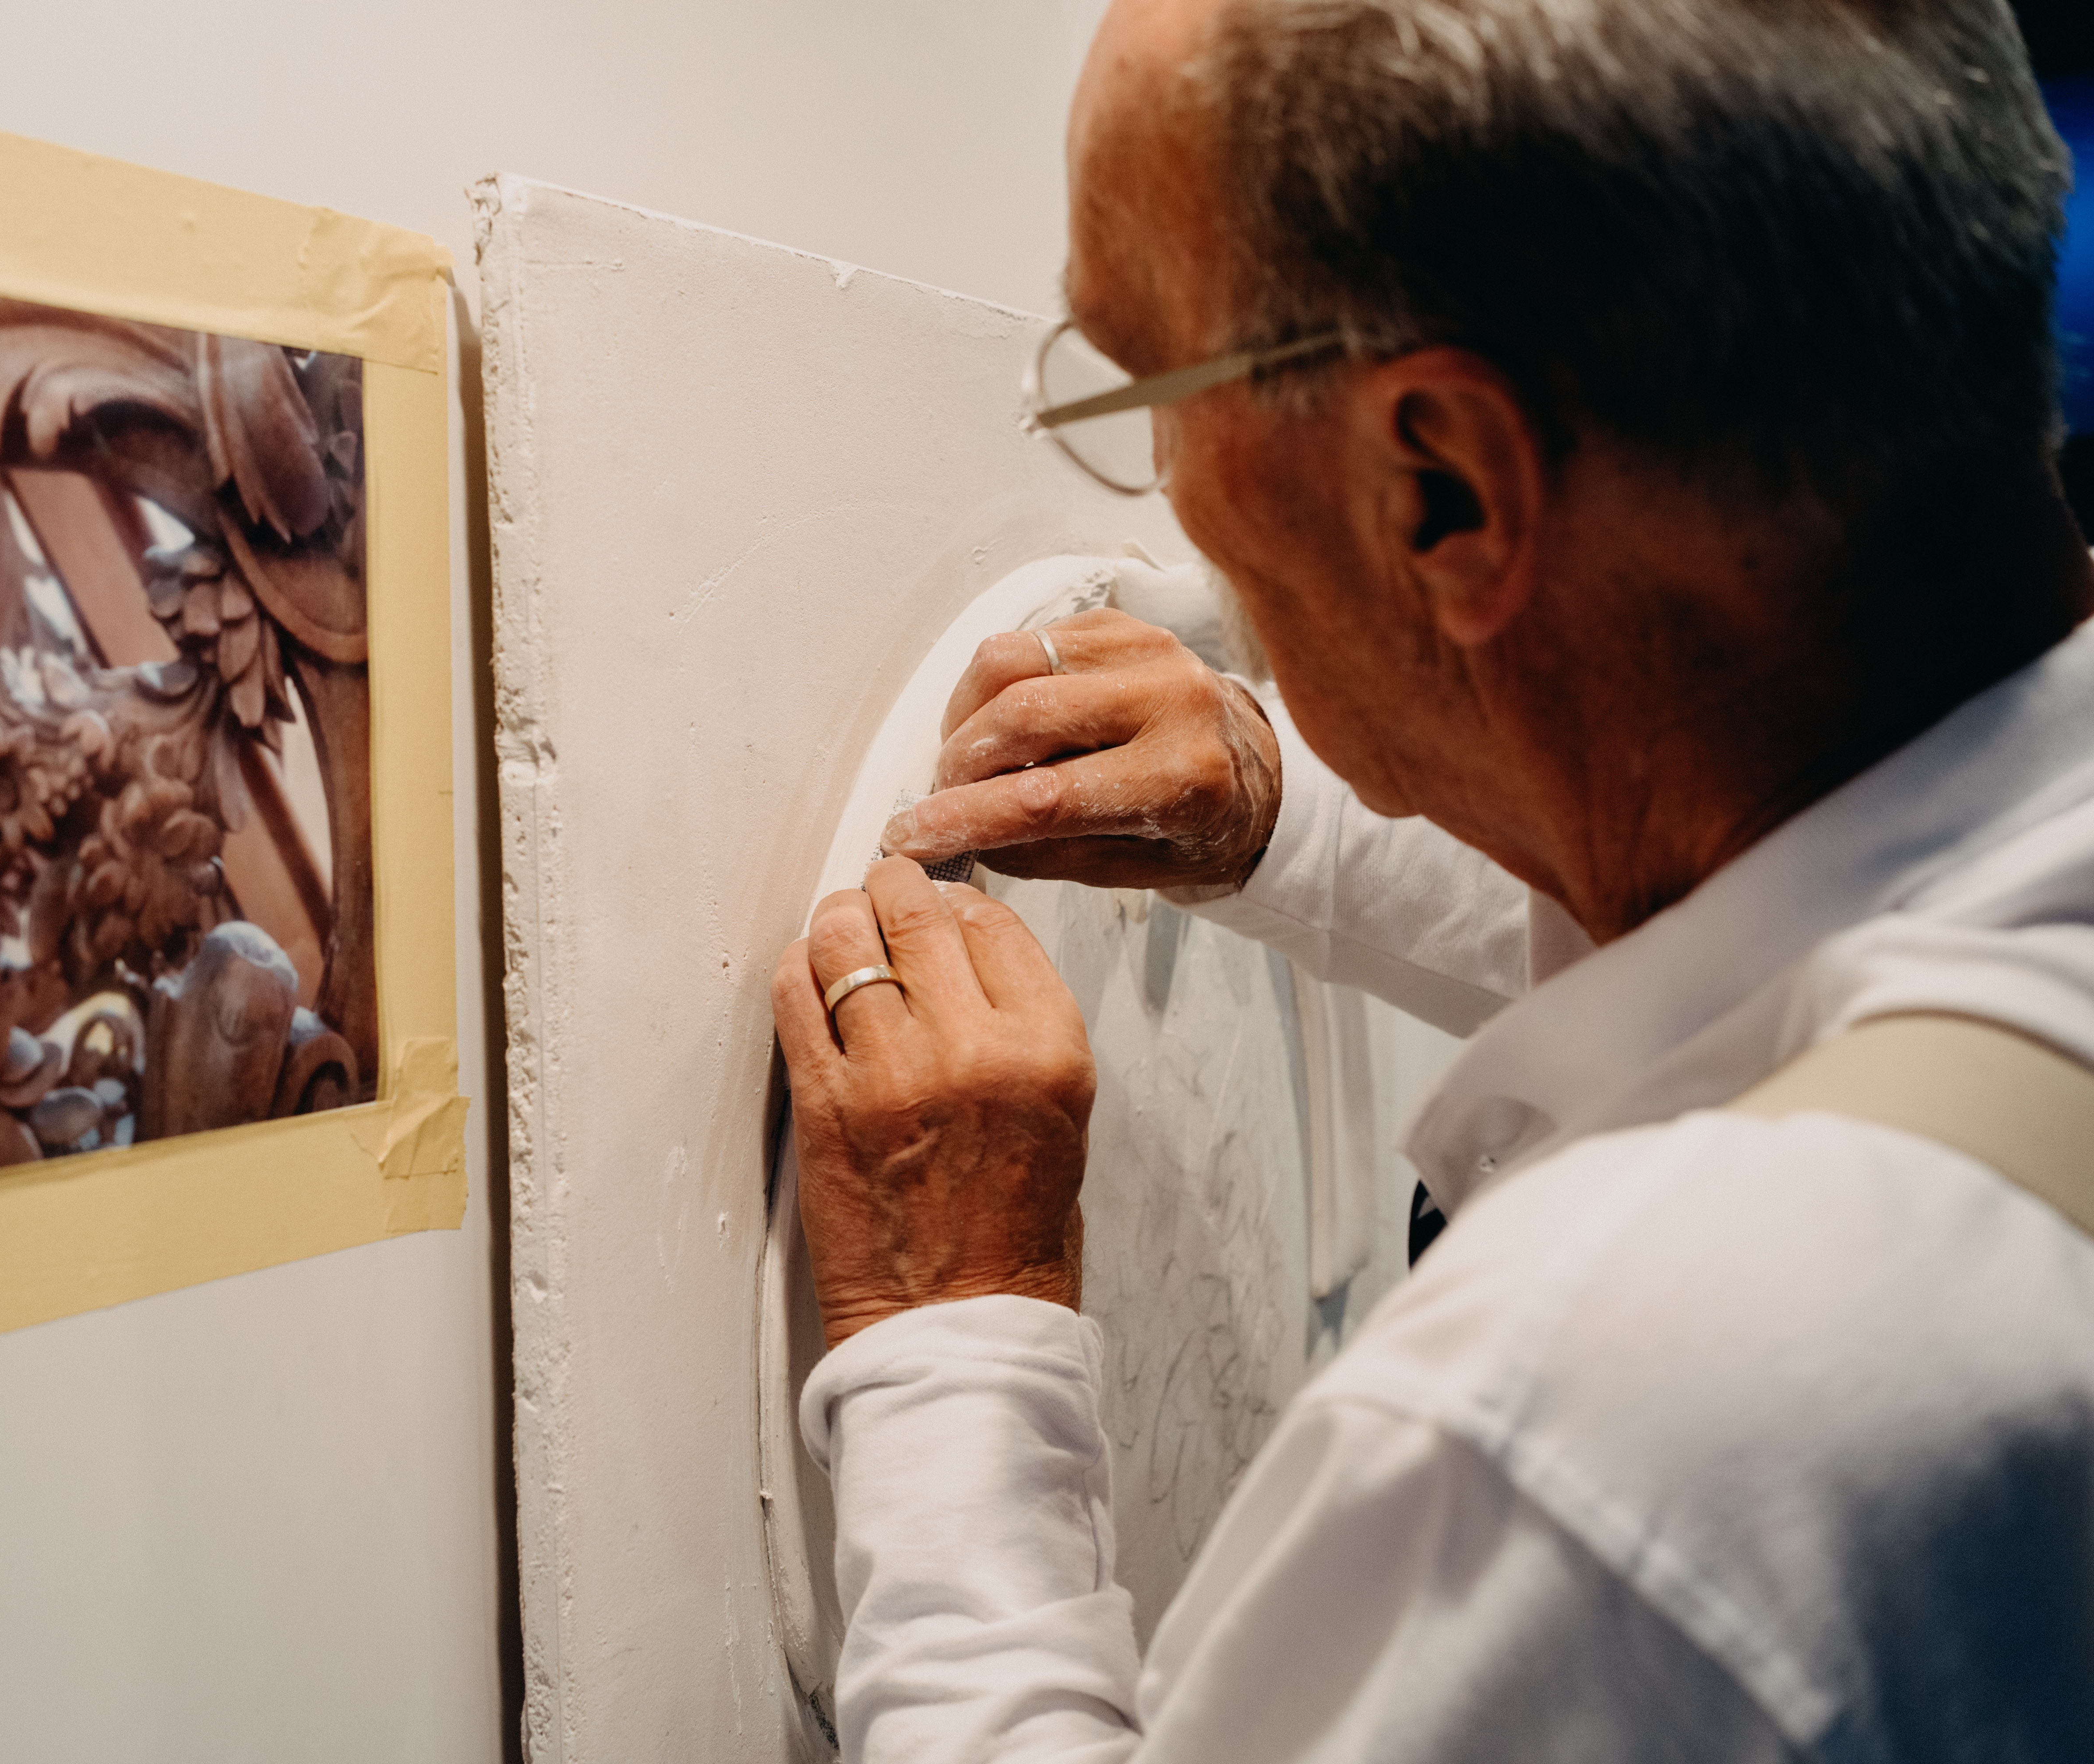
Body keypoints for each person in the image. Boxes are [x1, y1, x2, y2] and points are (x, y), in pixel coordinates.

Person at [767, 0, 2094, 1757]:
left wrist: (957, 1352)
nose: (1158, 481)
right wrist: (1297, 811)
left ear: (1443, 485)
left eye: (1140, 383)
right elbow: (1838, 938)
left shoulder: (1611, 1425)